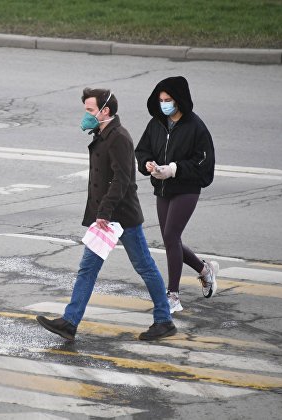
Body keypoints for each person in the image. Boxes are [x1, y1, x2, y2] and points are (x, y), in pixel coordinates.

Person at [36, 88, 176, 341]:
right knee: (87, 270)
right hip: (105, 217)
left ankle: (164, 320)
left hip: (121, 216)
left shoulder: (119, 137)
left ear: (105, 111)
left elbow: (123, 179)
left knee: (144, 266)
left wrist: (105, 211)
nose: (86, 115)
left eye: (90, 110)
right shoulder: (103, 134)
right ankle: (69, 322)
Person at [135, 76, 217, 314]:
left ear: (179, 100)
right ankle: (204, 270)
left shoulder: (196, 126)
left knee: (171, 236)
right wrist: (148, 164)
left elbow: (203, 162)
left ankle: (173, 296)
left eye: (168, 99)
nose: (164, 104)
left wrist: (174, 169)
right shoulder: (156, 123)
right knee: (172, 241)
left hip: (186, 189)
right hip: (163, 188)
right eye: (161, 100)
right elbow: (142, 150)